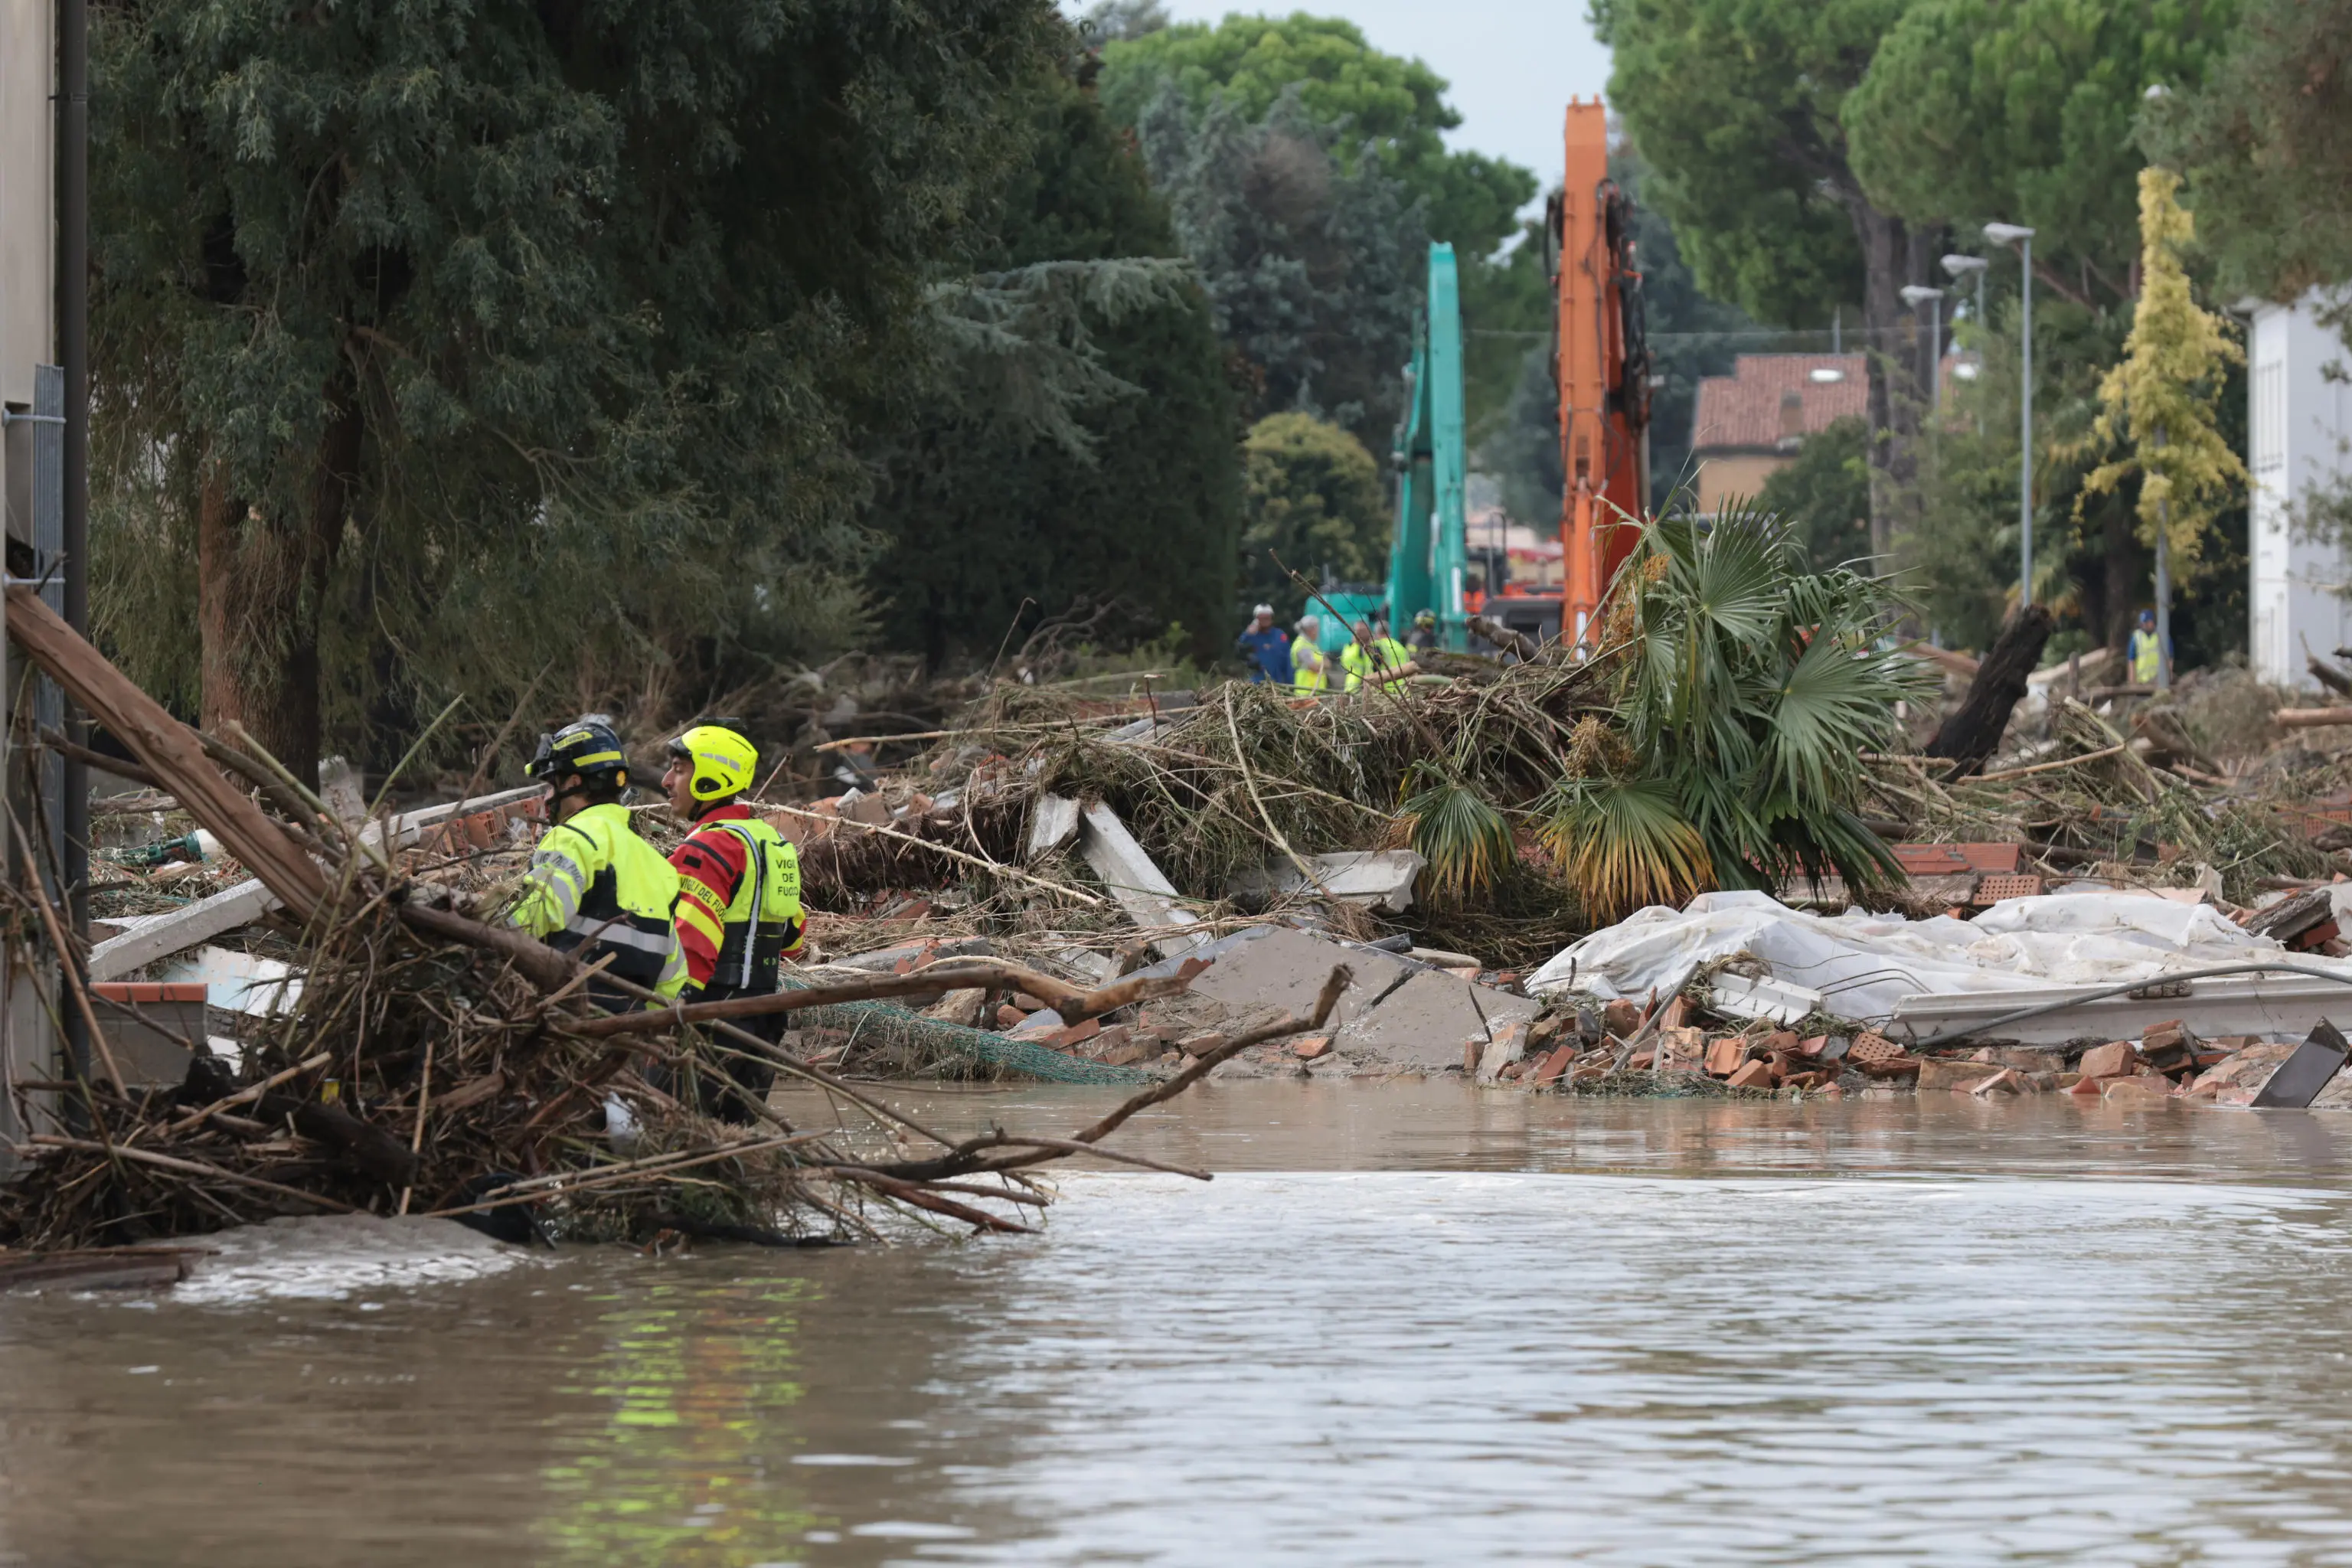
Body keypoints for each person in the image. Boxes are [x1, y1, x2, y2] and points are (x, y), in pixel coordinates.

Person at [663, 720, 807, 1123]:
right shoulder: (773, 843)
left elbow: (691, 942)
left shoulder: (707, 845)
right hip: (765, 1018)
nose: (666, 780)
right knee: (734, 1144)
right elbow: (792, 938)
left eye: (678, 769)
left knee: (674, 1133)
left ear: (710, 778)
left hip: (708, 1018)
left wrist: (665, 1014)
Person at [511, 716, 687, 1010]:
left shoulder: (571, 838)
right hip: (628, 1036)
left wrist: (481, 937)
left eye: (551, 786)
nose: (548, 797)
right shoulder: (660, 867)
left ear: (574, 783)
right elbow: (672, 978)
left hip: (566, 1021)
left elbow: (533, 917)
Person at [1340, 619, 1413, 695]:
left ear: (1376, 633)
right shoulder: (1401, 647)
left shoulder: (1378, 646)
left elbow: (1374, 667)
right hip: (1404, 692)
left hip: (1385, 692)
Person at [1236, 604, 1293, 685]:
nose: (1264, 620)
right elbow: (1240, 651)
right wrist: (1247, 634)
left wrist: (1290, 682)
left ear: (1272, 618)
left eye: (1267, 618)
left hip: (1277, 683)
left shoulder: (1280, 635)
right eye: (1261, 618)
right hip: (1257, 682)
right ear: (1256, 619)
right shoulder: (1251, 636)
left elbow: (1287, 660)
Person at [1290, 615, 1329, 694]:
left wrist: (1323, 665)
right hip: (1306, 692)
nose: (1318, 631)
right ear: (1310, 629)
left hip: (1316, 691)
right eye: (1317, 628)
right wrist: (1323, 664)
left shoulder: (1312, 644)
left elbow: (1329, 664)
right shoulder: (1301, 645)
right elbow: (1314, 667)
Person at [2129, 608, 2164, 685]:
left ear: (2152, 622)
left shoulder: (2161, 635)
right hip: (2141, 683)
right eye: (2143, 623)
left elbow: (2169, 657)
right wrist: (2132, 682)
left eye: (2147, 622)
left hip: (2157, 681)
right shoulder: (2136, 636)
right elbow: (2131, 660)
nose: (2144, 625)